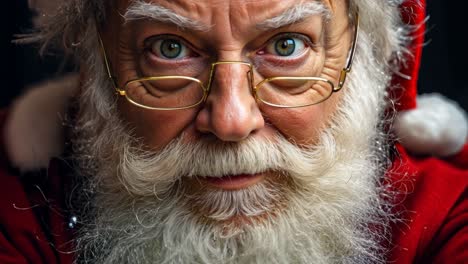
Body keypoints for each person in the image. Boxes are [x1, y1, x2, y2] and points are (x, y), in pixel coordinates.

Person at [1, 0, 467, 263]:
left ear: (366, 52)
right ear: (97, 63)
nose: (230, 122)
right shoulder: (16, 207)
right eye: (169, 48)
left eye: (287, 46)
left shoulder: (447, 215)